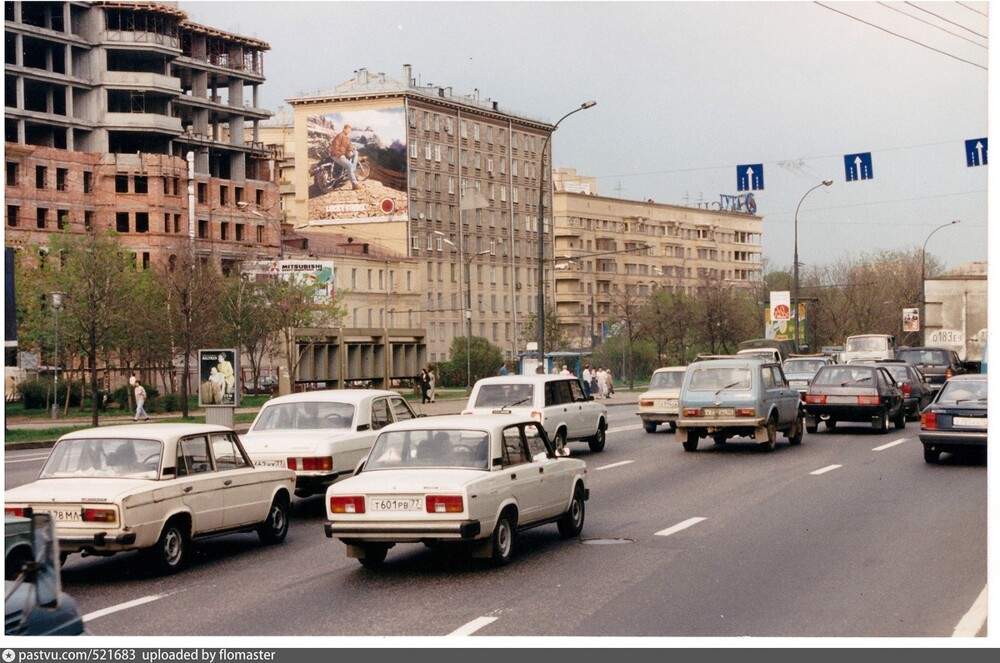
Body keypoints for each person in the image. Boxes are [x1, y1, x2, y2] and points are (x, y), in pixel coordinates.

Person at [329, 123, 362, 190]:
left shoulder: (346, 138)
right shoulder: (340, 135)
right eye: (347, 130)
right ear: (344, 129)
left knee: (355, 152)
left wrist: (351, 150)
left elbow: (348, 146)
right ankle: (354, 184)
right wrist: (340, 155)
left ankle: (352, 170)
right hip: (336, 155)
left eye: (349, 131)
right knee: (349, 165)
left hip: (341, 154)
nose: (348, 132)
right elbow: (335, 146)